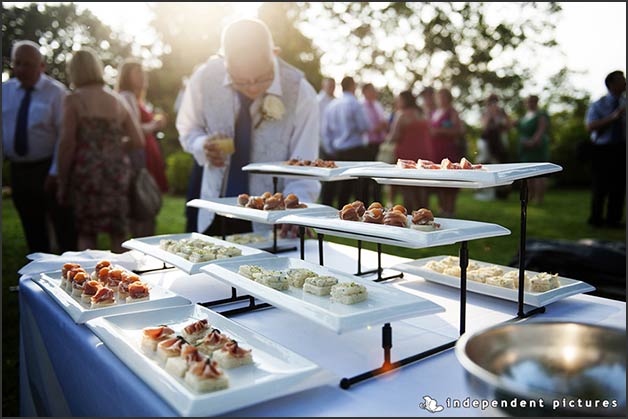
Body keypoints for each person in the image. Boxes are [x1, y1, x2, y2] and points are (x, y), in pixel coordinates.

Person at [176, 18, 320, 236]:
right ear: (225, 62)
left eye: (262, 78)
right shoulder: (204, 78)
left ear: (275, 53)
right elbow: (188, 128)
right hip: (213, 210)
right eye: (241, 81)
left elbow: (305, 167)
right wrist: (202, 144)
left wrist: (295, 211)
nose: (252, 87)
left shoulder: (301, 93)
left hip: (272, 221)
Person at [57, 48, 145, 252]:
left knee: (87, 233)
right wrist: (114, 147)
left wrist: (62, 181)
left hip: (88, 173)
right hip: (116, 171)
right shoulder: (117, 100)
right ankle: (123, 279)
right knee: (118, 232)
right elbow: (138, 140)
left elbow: (67, 143)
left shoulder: (74, 99)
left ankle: (85, 280)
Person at [2, 40, 77, 254]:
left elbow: (64, 135)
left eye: (29, 64)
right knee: (31, 225)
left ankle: (71, 269)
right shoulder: (5, 91)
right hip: (19, 169)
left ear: (41, 66)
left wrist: (55, 172)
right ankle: (37, 270)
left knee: (63, 226)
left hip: (48, 168)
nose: (22, 69)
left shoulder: (55, 92)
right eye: (18, 63)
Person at [117, 59, 169, 237]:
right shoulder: (127, 96)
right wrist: (155, 124)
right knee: (142, 205)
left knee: (145, 207)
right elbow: (135, 130)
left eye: (143, 72)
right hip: (138, 158)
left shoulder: (137, 99)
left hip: (146, 155)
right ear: (126, 76)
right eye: (137, 72)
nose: (142, 76)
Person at [585, 70, 626, 228]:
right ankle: (596, 218)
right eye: (621, 80)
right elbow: (590, 126)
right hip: (603, 149)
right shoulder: (599, 104)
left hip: (622, 148)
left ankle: (614, 219)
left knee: (619, 185)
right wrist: (614, 117)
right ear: (611, 84)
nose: (625, 82)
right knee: (600, 185)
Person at [322, 76, 371, 205]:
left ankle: (340, 215)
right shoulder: (355, 103)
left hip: (337, 151)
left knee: (340, 186)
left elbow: (325, 131)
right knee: (358, 188)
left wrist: (330, 150)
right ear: (352, 86)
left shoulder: (332, 105)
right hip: (355, 150)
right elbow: (364, 126)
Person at [387, 90, 431, 209]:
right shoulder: (421, 113)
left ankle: (411, 213)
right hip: (423, 152)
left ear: (405, 100)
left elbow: (394, 136)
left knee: (407, 186)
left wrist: (385, 139)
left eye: (399, 99)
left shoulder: (402, 114)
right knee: (421, 185)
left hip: (406, 154)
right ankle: (424, 211)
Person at [430, 88, 464, 217]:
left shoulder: (452, 112)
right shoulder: (434, 112)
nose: (441, 99)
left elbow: (459, 130)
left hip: (448, 149)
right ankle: (442, 208)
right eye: (439, 96)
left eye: (443, 96)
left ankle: (450, 209)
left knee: (450, 179)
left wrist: (440, 131)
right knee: (439, 179)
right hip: (435, 150)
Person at [515, 95, 550, 204]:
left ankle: (539, 198)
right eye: (528, 102)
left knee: (539, 172)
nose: (530, 104)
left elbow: (541, 130)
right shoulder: (525, 116)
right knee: (527, 173)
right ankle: (530, 196)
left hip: (537, 147)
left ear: (536, 102)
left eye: (532, 102)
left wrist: (533, 142)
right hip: (525, 148)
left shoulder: (541, 115)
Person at [476, 93, 511, 201]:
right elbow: (484, 126)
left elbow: (507, 126)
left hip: (499, 143)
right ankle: (488, 191)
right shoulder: (485, 113)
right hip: (488, 143)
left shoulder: (502, 112)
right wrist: (490, 115)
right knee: (487, 165)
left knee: (500, 165)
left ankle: (502, 192)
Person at [361, 83, 388, 203]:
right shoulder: (361, 106)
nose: (374, 93)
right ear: (365, 92)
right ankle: (365, 203)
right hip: (367, 145)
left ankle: (378, 202)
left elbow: (384, 122)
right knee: (366, 177)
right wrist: (378, 127)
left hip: (379, 144)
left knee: (378, 176)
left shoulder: (377, 105)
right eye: (371, 90)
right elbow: (365, 127)